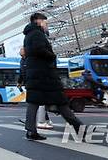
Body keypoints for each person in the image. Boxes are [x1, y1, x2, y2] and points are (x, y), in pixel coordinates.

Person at [23, 13, 83, 141]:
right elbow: (40, 50)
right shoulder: (37, 33)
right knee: (61, 102)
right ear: (38, 21)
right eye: (45, 22)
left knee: (33, 102)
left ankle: (30, 130)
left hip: (36, 74)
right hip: (45, 74)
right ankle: (79, 127)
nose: (47, 25)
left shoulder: (29, 35)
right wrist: (52, 56)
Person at [17, 47, 54, 130]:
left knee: (39, 103)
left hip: (35, 83)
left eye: (22, 50)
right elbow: (22, 73)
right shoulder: (22, 61)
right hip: (30, 84)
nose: (21, 52)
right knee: (38, 103)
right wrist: (19, 82)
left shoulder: (30, 59)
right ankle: (42, 121)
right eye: (20, 51)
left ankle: (39, 121)